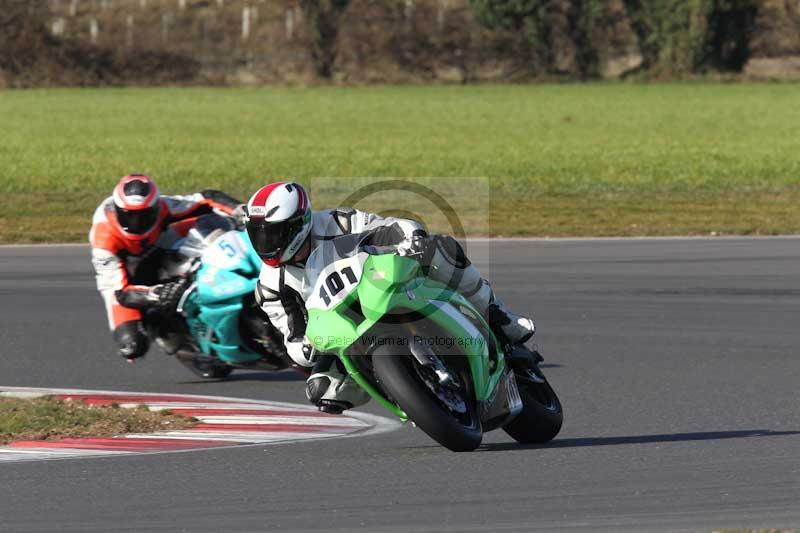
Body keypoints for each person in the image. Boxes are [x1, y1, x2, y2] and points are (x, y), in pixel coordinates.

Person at [245, 181, 536, 414]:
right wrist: (306, 346)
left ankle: (497, 315)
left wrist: (411, 238)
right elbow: (292, 336)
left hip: (381, 286)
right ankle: (409, 393)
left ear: (300, 223)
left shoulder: (337, 223)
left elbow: (390, 226)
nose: (267, 243)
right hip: (345, 330)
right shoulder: (270, 285)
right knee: (322, 389)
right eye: (258, 234)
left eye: (275, 233)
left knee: (442, 249)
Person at [90, 174, 245, 360]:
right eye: (129, 216)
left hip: (158, 244)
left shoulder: (164, 204)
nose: (137, 222)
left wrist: (242, 210)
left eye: (144, 215)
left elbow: (207, 198)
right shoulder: (104, 239)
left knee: (215, 224)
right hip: (123, 276)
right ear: (117, 211)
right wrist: (158, 294)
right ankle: (162, 329)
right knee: (132, 346)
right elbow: (122, 293)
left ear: (155, 207)